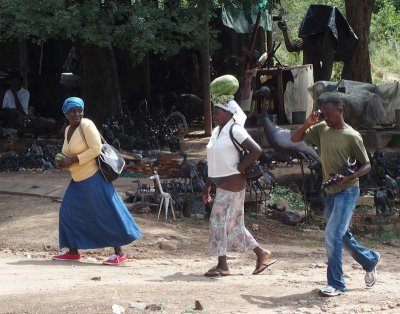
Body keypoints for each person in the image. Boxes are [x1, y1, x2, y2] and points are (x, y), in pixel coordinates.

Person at [291, 95, 380, 296]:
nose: (326, 118)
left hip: (348, 191)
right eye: (324, 114)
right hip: (330, 191)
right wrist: (308, 123)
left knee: (332, 233)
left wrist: (348, 176)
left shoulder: (352, 136)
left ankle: (337, 284)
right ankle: (370, 260)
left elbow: (366, 165)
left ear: (340, 111)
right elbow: (294, 139)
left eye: (329, 115)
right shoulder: (321, 129)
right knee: (340, 234)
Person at [53, 97, 142, 265]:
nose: (77, 114)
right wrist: (61, 160)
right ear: (66, 113)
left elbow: (95, 149)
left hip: (94, 178)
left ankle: (119, 253)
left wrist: (72, 160)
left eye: (79, 110)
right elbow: (67, 151)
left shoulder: (86, 125)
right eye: (72, 111)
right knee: (68, 212)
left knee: (106, 213)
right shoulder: (67, 130)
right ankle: (72, 252)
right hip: (77, 180)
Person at [202, 94, 272, 277]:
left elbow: (256, 150)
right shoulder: (217, 132)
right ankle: (261, 253)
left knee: (218, 220)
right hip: (221, 183)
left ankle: (223, 265)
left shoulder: (235, 129)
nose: (214, 116)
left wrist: (241, 167)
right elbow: (213, 160)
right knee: (234, 225)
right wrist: (208, 184)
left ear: (228, 113)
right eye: (214, 112)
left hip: (233, 184)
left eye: (217, 112)